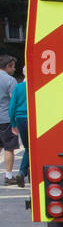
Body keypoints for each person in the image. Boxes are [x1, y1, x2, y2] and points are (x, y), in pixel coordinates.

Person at [0, 56, 19, 185]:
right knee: (9, 148)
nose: (14, 68)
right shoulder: (10, 80)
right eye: (12, 66)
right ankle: (8, 176)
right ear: (7, 66)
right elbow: (14, 101)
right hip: (6, 119)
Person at [8, 63, 27, 186]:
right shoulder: (39, 86)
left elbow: (12, 107)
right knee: (31, 149)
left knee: (28, 147)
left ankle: (23, 172)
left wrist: (13, 123)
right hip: (34, 118)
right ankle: (22, 172)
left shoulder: (19, 87)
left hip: (20, 118)